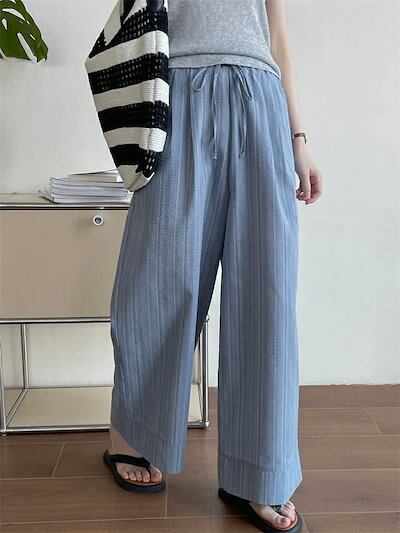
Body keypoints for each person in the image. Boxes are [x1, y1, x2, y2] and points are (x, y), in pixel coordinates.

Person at [104, 0, 323, 531]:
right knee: (156, 281)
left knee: (266, 295)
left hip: (260, 100)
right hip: (175, 98)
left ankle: (260, 471)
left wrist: (298, 139)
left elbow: (278, 39)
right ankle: (136, 436)